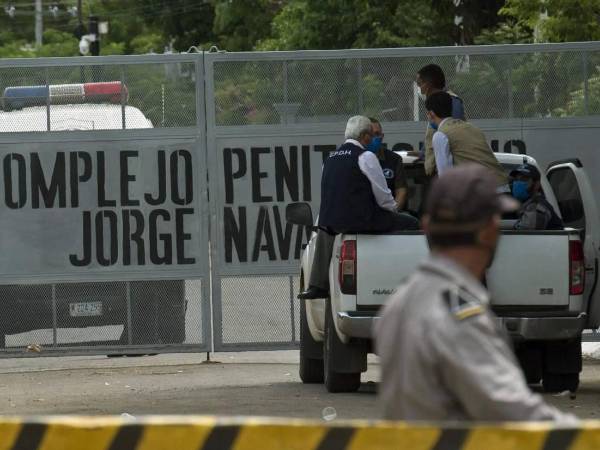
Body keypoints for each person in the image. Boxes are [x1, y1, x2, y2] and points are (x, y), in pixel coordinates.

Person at [374, 165, 575, 422]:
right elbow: (509, 409)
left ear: (426, 226)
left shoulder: (401, 300)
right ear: (489, 231)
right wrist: (581, 435)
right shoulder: (459, 313)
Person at [298, 116, 418, 300]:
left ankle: (317, 286)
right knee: (412, 222)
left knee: (324, 233)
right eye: (371, 135)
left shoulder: (329, 159)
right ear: (364, 136)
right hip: (361, 220)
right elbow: (383, 196)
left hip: (332, 223)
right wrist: (394, 210)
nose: (373, 139)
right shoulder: (366, 156)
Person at [425, 91, 509, 192]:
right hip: (503, 188)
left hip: (483, 194)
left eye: (427, 113)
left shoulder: (440, 135)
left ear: (431, 114)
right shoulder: (472, 128)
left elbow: (445, 176)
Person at [416, 64, 465, 177]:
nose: (420, 89)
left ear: (428, 85)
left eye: (420, 84)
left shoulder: (451, 101)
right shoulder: (435, 103)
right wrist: (423, 153)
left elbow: (452, 136)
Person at [369, 117, 408, 209]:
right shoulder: (356, 158)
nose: (373, 137)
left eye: (377, 134)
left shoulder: (394, 159)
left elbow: (401, 191)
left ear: (382, 136)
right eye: (370, 134)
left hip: (389, 210)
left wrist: (393, 212)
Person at [510, 163, 564, 230]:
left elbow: (524, 233)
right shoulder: (527, 204)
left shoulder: (536, 207)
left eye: (524, 179)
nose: (518, 183)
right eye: (516, 180)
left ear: (536, 184)